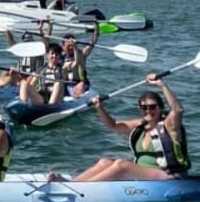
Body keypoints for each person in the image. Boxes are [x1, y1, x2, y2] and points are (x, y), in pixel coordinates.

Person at [50, 74, 188, 182]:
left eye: (152, 107)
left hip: (169, 176)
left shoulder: (169, 126)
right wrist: (99, 108)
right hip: (144, 174)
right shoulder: (140, 125)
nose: (148, 111)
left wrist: (162, 85)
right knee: (104, 162)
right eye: (144, 107)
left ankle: (84, 189)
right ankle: (73, 184)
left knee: (122, 164)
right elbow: (112, 125)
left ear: (160, 108)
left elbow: (178, 110)